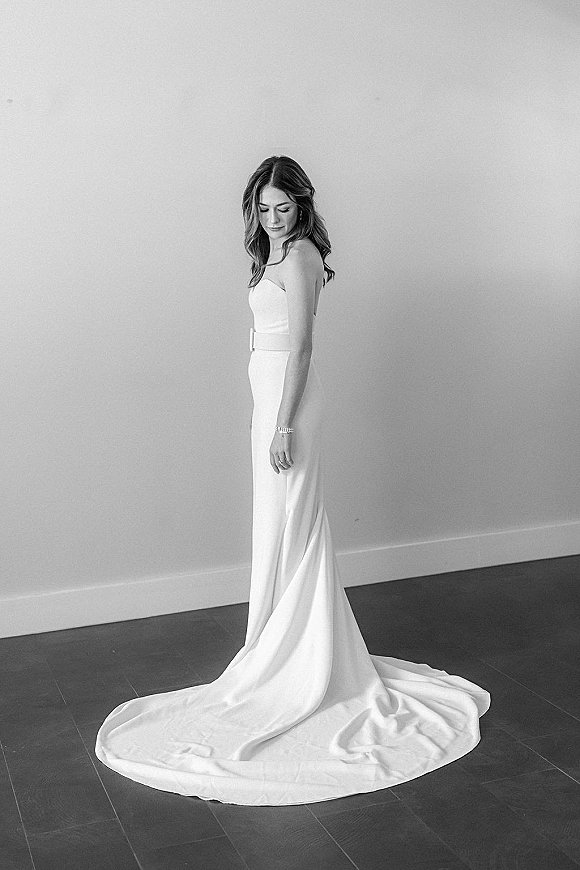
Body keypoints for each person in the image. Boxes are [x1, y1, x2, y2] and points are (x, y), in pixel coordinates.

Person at [95, 155, 490, 806]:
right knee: (274, 522)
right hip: (269, 400)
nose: (273, 218)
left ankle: (297, 655)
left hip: (292, 404)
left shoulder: (302, 256)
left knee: (296, 519)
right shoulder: (269, 258)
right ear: (252, 208)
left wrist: (281, 425)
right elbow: (264, 340)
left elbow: (301, 346)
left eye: (284, 207)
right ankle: (272, 643)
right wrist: (260, 412)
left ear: (301, 208)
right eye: (264, 207)